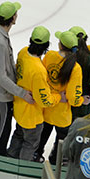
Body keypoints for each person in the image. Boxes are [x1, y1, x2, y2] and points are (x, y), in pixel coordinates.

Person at [0, 1, 34, 156]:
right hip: (2, 95)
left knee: (0, 126)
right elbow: (0, 76)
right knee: (1, 130)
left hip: (0, 92)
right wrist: (22, 93)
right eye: (16, 13)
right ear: (13, 18)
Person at [8, 26, 60, 162]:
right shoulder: (39, 71)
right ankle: (21, 170)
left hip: (19, 108)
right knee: (30, 144)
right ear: (46, 45)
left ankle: (10, 160)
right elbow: (44, 100)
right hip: (32, 116)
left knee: (18, 135)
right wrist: (59, 97)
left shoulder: (23, 52)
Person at [36, 30, 83, 164]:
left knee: (42, 135)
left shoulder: (49, 56)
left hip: (46, 107)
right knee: (61, 142)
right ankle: (55, 161)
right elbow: (73, 98)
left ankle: (37, 155)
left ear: (60, 45)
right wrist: (81, 100)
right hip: (62, 113)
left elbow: (42, 77)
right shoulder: (75, 68)